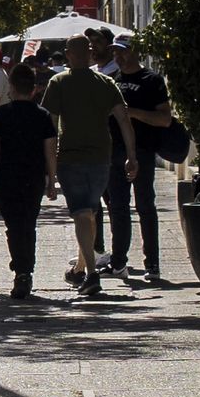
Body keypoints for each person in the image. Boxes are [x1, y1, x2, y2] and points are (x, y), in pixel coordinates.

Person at [41, 35, 136, 297]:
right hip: (101, 159)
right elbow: (124, 120)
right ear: (90, 54)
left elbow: (50, 129)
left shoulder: (58, 82)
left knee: (82, 214)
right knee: (90, 212)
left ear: (70, 54)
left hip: (70, 159)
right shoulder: (105, 83)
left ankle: (92, 274)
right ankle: (81, 269)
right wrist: (131, 155)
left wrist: (49, 171)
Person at [0, 64, 59, 299]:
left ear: (12, 87)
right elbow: (50, 151)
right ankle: (25, 268)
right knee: (28, 223)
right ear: (34, 89)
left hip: (8, 177)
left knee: (14, 225)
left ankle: (21, 268)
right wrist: (52, 180)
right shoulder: (43, 116)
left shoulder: (2, 114)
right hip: (34, 177)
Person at [102, 37, 170, 282]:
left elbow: (164, 119)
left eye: (122, 52)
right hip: (114, 153)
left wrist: (132, 113)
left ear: (134, 52)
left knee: (145, 206)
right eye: (115, 53)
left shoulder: (151, 80)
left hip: (142, 151)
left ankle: (152, 262)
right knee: (117, 208)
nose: (117, 57)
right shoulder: (112, 82)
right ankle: (118, 261)